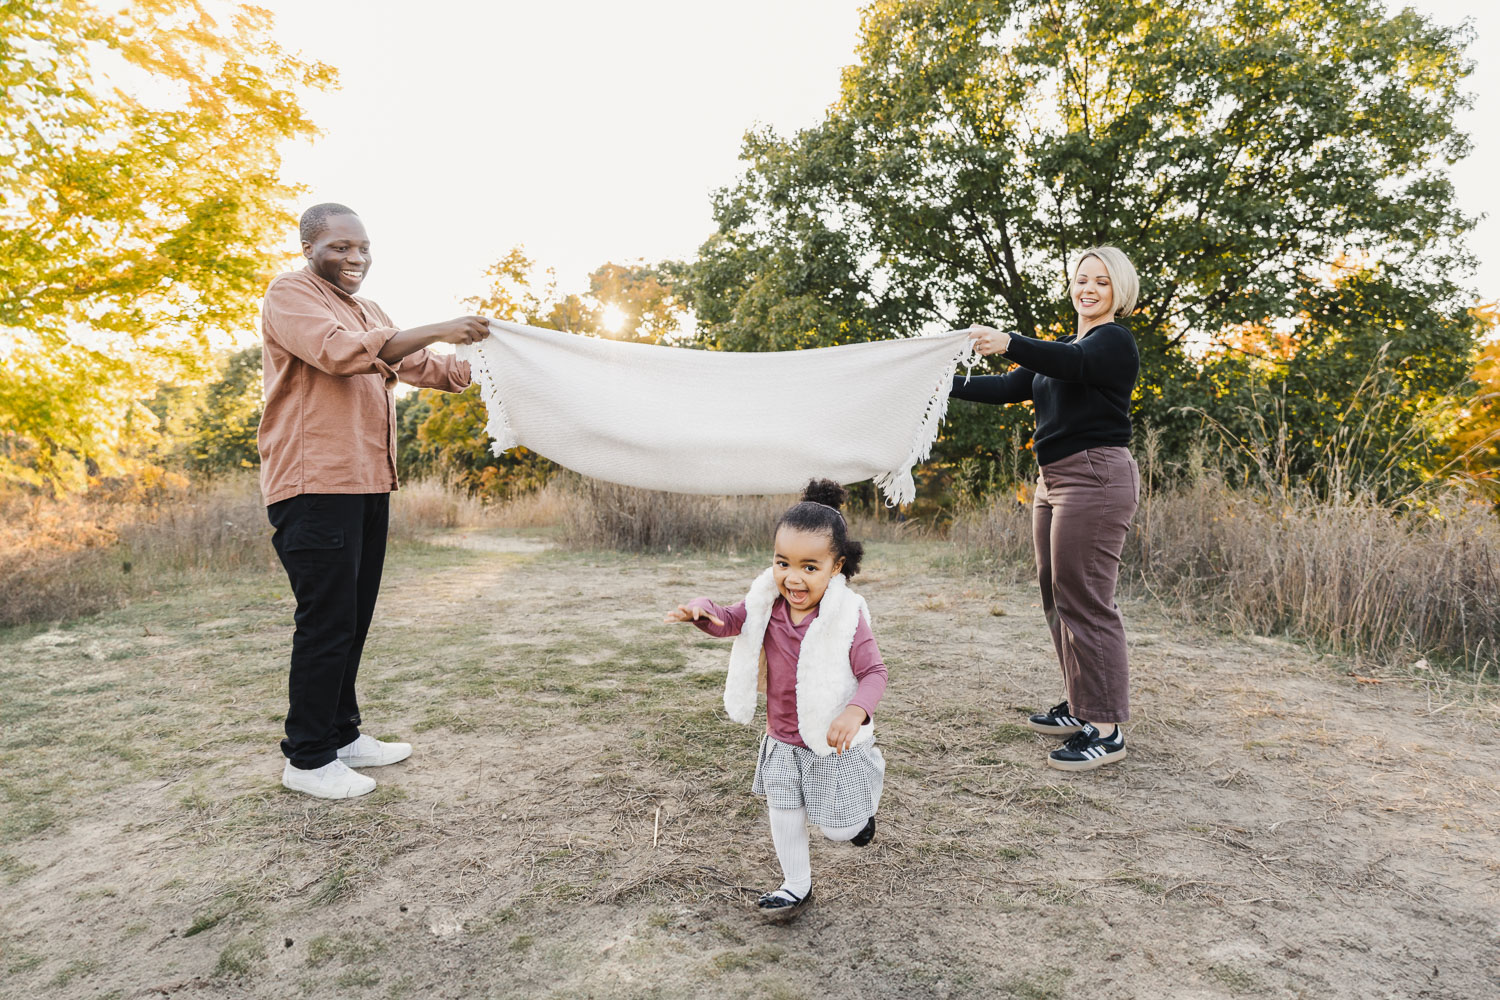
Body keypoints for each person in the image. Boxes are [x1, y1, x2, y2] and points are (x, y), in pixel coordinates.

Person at [258, 202, 490, 800]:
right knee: (326, 621)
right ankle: (307, 759)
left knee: (353, 618)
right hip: (314, 486)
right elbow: (339, 353)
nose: (355, 258)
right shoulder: (291, 294)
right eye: (339, 247)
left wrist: (491, 357)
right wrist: (441, 325)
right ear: (309, 247)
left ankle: (342, 733)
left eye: (362, 247)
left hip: (367, 482)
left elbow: (424, 366)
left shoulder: (371, 310)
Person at [950, 246, 1142, 772]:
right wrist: (937, 386)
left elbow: (1072, 364)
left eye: (1101, 282)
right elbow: (1009, 386)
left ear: (1117, 291)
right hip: (1053, 479)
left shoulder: (1112, 342)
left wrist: (1009, 340)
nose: (1089, 289)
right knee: (1055, 594)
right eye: (1082, 279)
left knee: (1086, 598)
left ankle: (1106, 728)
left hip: (1096, 477)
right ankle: (1082, 706)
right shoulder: (1063, 347)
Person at [665, 480, 887, 921]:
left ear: (836, 566)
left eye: (809, 567)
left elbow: (874, 673)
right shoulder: (767, 602)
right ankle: (795, 886)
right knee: (784, 812)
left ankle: (864, 802)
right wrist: (701, 609)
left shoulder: (847, 615)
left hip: (830, 740)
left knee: (838, 829)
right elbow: (729, 620)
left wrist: (855, 710)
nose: (792, 577)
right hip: (782, 737)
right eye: (782, 562)